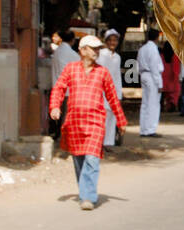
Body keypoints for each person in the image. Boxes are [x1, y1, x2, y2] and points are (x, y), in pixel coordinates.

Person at [49, 34, 126, 209]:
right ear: (82, 50)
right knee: (79, 160)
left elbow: (113, 98)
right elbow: (59, 88)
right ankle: (84, 192)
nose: (97, 52)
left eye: (99, 48)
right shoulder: (70, 69)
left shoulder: (103, 72)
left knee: (92, 159)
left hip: (95, 122)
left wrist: (120, 121)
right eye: (93, 48)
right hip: (75, 122)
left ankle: (88, 197)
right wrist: (55, 106)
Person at [98, 29, 123, 149]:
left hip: (113, 91)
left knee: (112, 116)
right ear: (106, 41)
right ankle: (99, 142)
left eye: (115, 40)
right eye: (111, 40)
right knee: (102, 116)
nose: (113, 43)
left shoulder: (117, 57)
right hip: (101, 90)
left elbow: (117, 76)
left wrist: (119, 94)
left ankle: (108, 142)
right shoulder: (101, 54)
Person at [137, 27, 163, 136]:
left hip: (144, 74)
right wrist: (159, 83)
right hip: (151, 75)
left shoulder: (142, 48)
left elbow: (137, 63)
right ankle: (150, 130)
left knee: (145, 103)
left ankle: (143, 129)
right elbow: (154, 67)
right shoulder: (153, 49)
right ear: (157, 37)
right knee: (153, 104)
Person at [160, 41, 181, 111]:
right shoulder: (175, 56)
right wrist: (176, 77)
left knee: (164, 93)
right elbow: (176, 68)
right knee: (174, 93)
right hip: (172, 78)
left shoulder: (161, 55)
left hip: (163, 77)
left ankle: (163, 105)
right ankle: (172, 104)